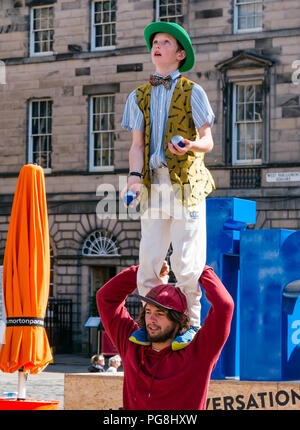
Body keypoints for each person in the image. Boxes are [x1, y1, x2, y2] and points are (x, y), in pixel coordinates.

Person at [121, 21, 215, 349]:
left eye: (165, 42)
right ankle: (151, 321)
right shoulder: (138, 95)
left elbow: (208, 141)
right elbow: (137, 146)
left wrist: (190, 145)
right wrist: (133, 178)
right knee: (149, 258)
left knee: (186, 260)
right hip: (154, 185)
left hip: (186, 184)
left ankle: (191, 322)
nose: (157, 46)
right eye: (154, 42)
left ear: (179, 54)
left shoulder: (194, 91)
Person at [97, 261, 234, 410]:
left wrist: (200, 270)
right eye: (148, 312)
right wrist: (144, 271)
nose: (151, 319)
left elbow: (224, 306)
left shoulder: (198, 353)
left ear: (179, 320)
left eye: (160, 313)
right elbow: (105, 298)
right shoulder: (131, 345)